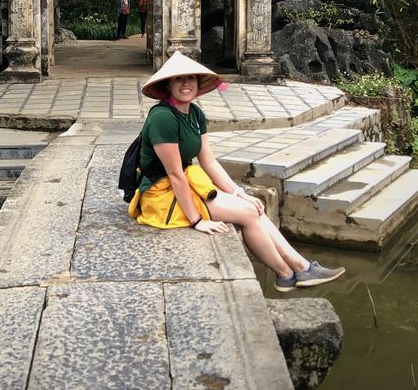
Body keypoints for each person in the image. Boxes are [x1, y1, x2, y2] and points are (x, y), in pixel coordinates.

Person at [128, 51, 346, 292]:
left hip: (185, 184)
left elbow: (208, 161)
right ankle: (285, 274)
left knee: (253, 206)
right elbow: (176, 174)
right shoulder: (162, 118)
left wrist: (238, 192)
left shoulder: (195, 114)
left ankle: (302, 268)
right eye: (178, 79)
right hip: (161, 192)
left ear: (198, 83)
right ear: (168, 84)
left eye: (191, 78)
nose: (186, 84)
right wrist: (197, 221)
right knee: (248, 215)